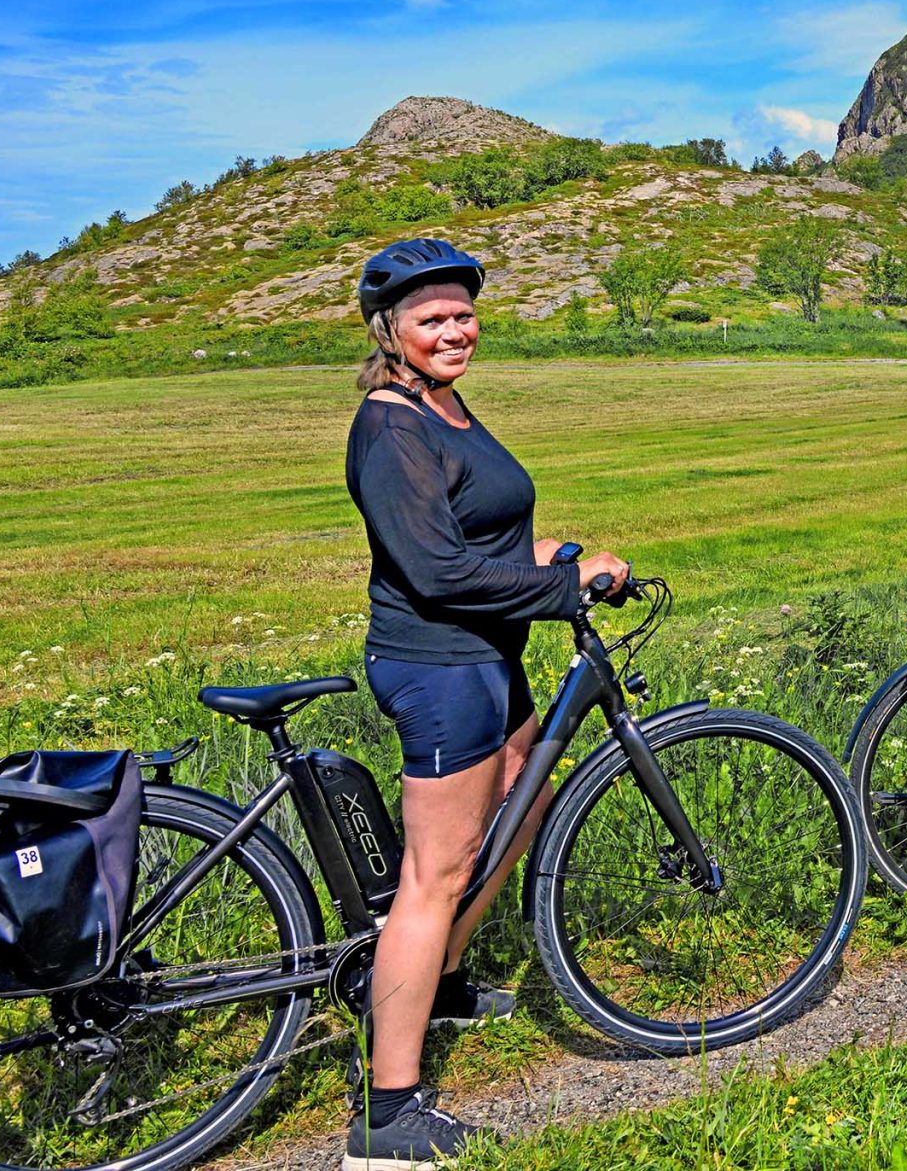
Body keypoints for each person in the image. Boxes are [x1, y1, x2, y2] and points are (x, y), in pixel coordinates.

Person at [342, 239, 630, 1169]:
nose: (454, 328)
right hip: (440, 666)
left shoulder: (445, 404)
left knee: (527, 798)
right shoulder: (390, 424)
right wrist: (560, 589)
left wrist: (549, 554)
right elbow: (431, 566)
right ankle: (388, 1115)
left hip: (486, 655)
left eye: (462, 312)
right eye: (431, 318)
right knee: (434, 872)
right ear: (390, 330)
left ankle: (446, 978)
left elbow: (476, 523)